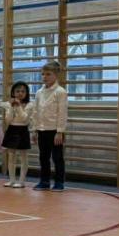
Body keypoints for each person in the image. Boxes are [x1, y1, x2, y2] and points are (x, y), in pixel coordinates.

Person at [34, 60, 68, 191]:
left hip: (55, 131)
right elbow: (36, 112)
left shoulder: (60, 92)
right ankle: (44, 181)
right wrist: (35, 129)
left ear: (56, 75)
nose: (45, 77)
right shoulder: (39, 92)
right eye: (43, 74)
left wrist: (60, 131)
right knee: (43, 157)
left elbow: (62, 113)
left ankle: (59, 182)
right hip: (42, 129)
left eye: (48, 74)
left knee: (57, 157)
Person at [1, 81, 33, 189]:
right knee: (11, 156)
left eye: (23, 91)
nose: (20, 93)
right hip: (12, 129)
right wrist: (11, 107)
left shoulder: (29, 105)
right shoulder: (9, 104)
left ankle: (22, 181)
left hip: (23, 130)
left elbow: (25, 119)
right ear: (13, 93)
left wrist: (18, 106)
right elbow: (8, 120)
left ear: (26, 93)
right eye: (17, 91)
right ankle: (12, 180)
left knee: (23, 157)